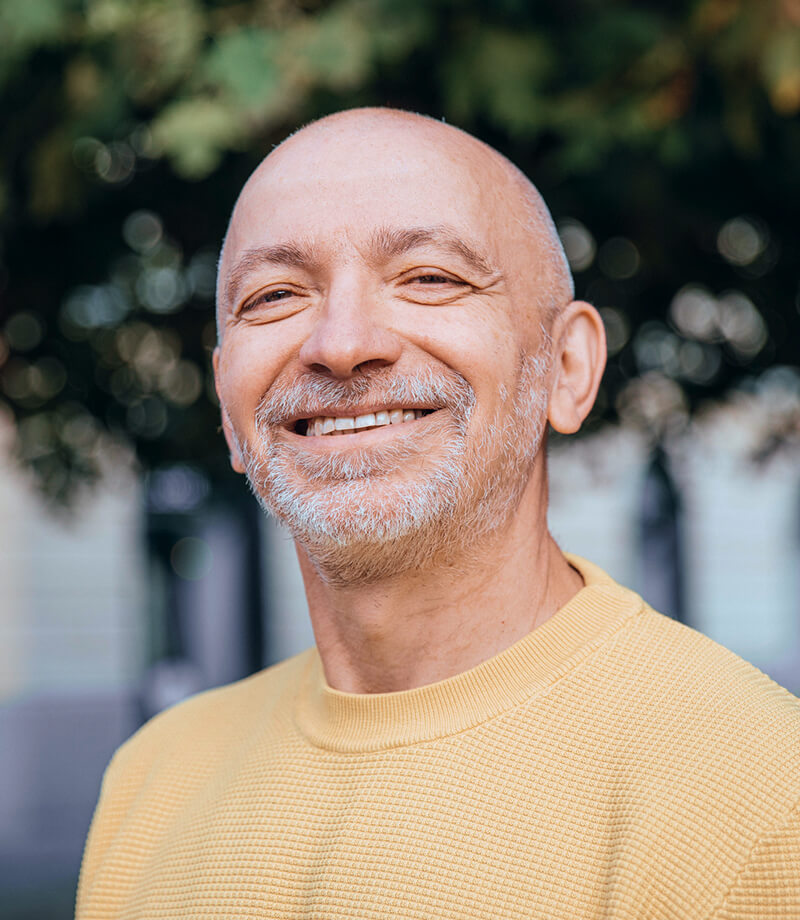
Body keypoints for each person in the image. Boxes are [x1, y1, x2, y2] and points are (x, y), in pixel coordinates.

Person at [76, 108, 800, 919]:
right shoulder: (150, 783)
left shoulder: (762, 798)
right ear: (225, 405)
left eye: (430, 278)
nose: (342, 343)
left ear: (566, 367)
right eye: (276, 295)